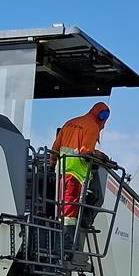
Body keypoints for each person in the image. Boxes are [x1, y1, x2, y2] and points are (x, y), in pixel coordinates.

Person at [50, 102, 110, 249]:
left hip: (61, 171)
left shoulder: (70, 123)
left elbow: (55, 149)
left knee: (62, 205)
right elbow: (85, 152)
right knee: (71, 208)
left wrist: (51, 166)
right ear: (103, 116)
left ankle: (62, 238)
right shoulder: (92, 127)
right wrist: (100, 156)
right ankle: (66, 243)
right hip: (76, 173)